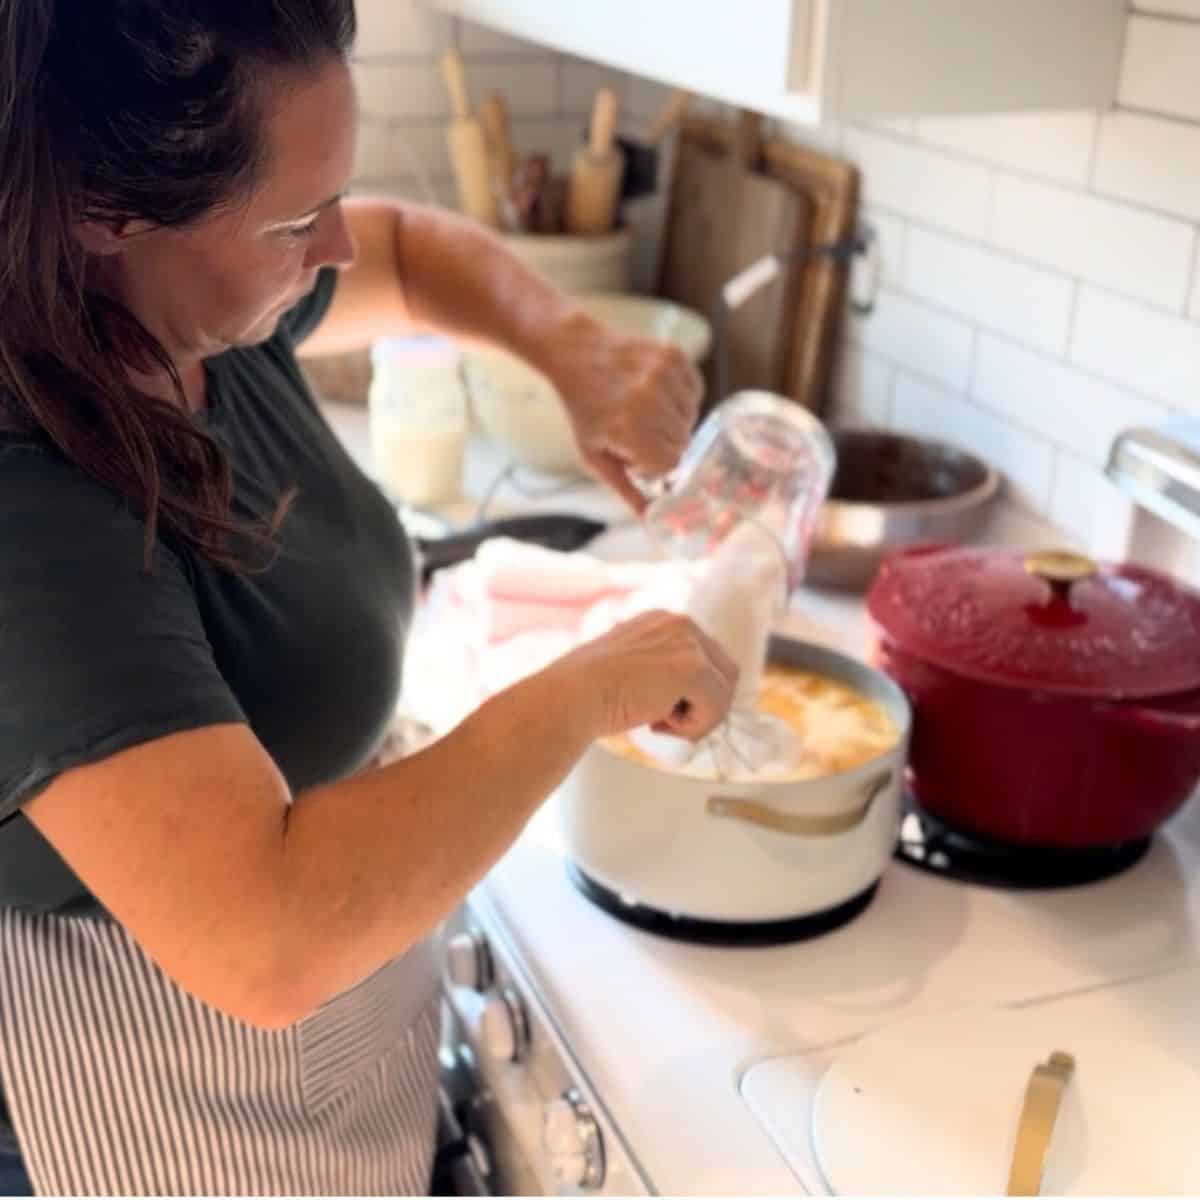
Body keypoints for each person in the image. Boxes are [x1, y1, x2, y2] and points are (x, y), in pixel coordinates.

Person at [0, 0, 738, 1194]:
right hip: (145, 1101)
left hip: (326, 1077)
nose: (334, 247)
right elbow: (266, 930)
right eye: (296, 219)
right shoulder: (32, 494)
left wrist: (572, 351)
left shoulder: (191, 310)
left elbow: (397, 248)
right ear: (101, 210)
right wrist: (585, 688)